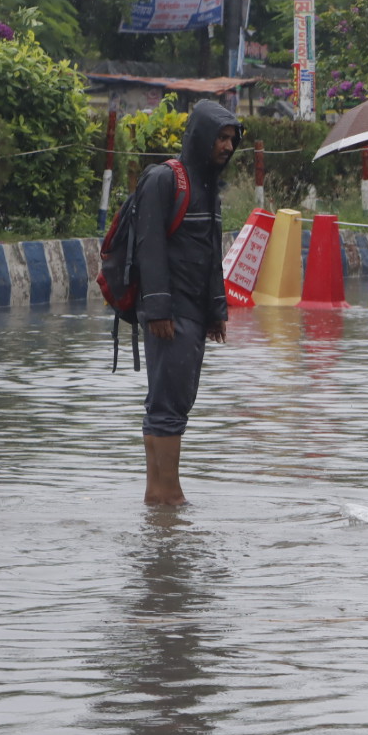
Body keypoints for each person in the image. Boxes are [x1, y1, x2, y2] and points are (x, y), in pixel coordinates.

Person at [133, 100, 240, 506]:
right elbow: (149, 247)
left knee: (171, 401)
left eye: (232, 139)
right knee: (169, 403)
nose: (227, 146)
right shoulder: (164, 179)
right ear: (200, 137)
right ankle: (170, 496)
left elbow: (209, 254)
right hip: (170, 314)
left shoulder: (208, 187)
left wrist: (216, 311)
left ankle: (157, 497)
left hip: (193, 313)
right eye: (221, 138)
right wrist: (158, 309)